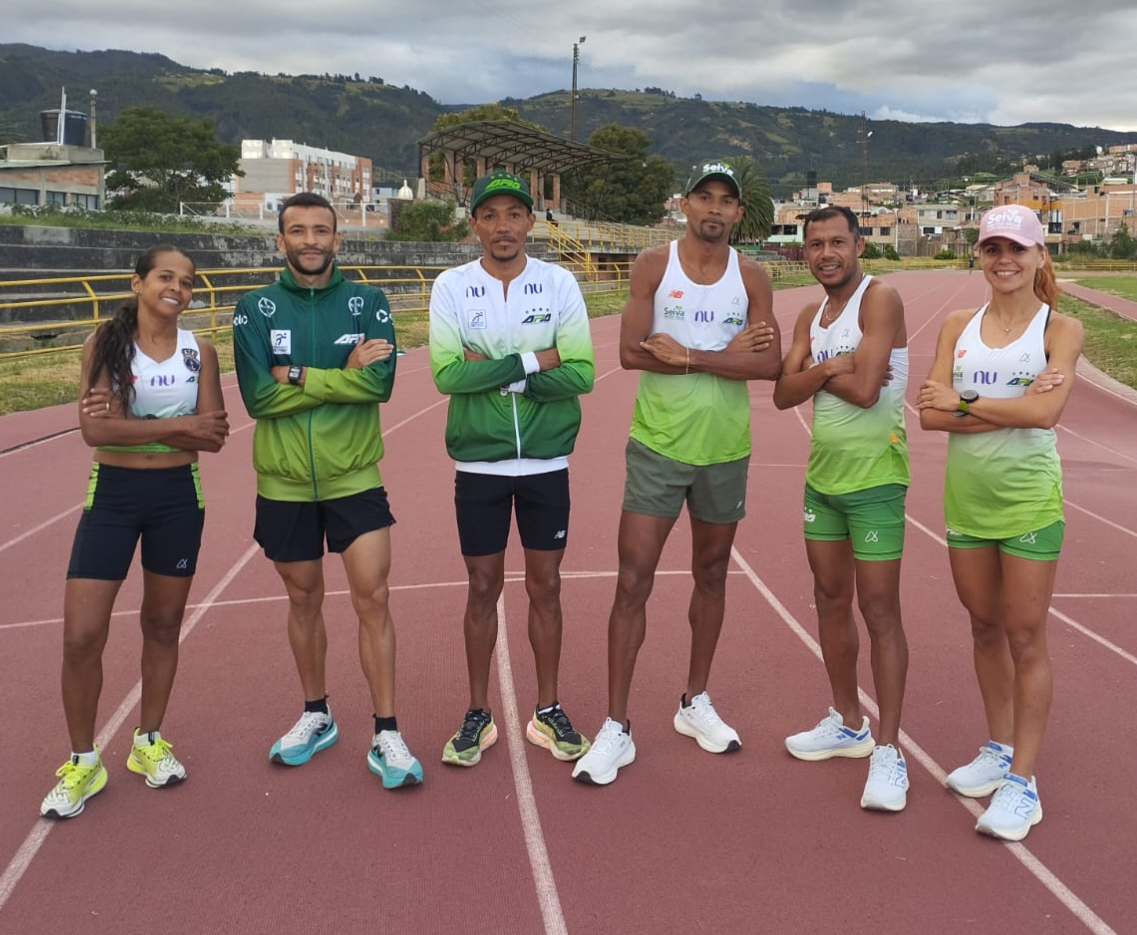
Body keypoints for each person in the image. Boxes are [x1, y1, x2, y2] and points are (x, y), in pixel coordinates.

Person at [572, 162, 782, 785]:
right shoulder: (651, 266)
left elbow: (769, 366)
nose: (714, 209)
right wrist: (727, 358)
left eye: (726, 201)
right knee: (633, 580)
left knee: (711, 576)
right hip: (658, 447)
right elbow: (631, 352)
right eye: (703, 198)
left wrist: (690, 356)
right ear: (684, 206)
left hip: (726, 449)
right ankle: (616, 726)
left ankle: (695, 701)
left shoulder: (752, 276)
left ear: (739, 214)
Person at [232, 192, 421, 789]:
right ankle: (317, 715)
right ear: (281, 240)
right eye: (297, 231)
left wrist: (295, 374)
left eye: (321, 230)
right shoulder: (254, 308)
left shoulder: (368, 302)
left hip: (355, 477)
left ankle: (386, 729)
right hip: (283, 484)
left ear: (339, 239)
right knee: (304, 601)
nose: (310, 240)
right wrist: (343, 374)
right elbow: (258, 397)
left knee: (374, 599)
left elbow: (382, 385)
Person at [915, 205, 1084, 842]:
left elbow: (1046, 416)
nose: (1004, 260)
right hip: (966, 503)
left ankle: (1024, 783)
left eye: (1017, 249)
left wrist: (965, 401)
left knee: (1024, 637)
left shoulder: (1060, 330)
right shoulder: (959, 324)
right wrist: (1008, 404)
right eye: (992, 249)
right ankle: (997, 746)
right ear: (979, 256)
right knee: (984, 627)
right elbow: (928, 416)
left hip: (1029, 504)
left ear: (1041, 256)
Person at [41, 246, 228, 818]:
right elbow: (95, 432)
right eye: (165, 277)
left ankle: (148, 742)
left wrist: (138, 425)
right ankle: (83, 761)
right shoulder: (106, 343)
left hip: (178, 499)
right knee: (81, 635)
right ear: (138, 283)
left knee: (164, 624)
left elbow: (215, 436)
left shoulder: (202, 352)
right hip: (114, 499)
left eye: (188, 282)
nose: (177, 288)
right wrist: (177, 424)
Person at [428, 173, 595, 769]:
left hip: (548, 463)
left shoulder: (558, 281)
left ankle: (547, 709)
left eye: (514, 214)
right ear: (474, 223)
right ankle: (479, 712)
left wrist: (500, 370)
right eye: (490, 214)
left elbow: (581, 374)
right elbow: (448, 375)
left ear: (531, 221)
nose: (503, 225)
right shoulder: (451, 286)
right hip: (479, 464)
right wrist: (533, 359)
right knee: (481, 588)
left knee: (546, 588)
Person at [772, 206, 912, 812]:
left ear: (858, 245)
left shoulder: (881, 300)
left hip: (877, 481)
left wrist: (813, 373)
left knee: (879, 611)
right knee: (829, 601)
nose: (826, 253)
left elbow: (865, 393)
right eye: (815, 245)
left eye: (836, 242)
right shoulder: (810, 313)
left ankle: (888, 750)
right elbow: (782, 394)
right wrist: (833, 364)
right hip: (822, 483)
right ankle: (848, 719)